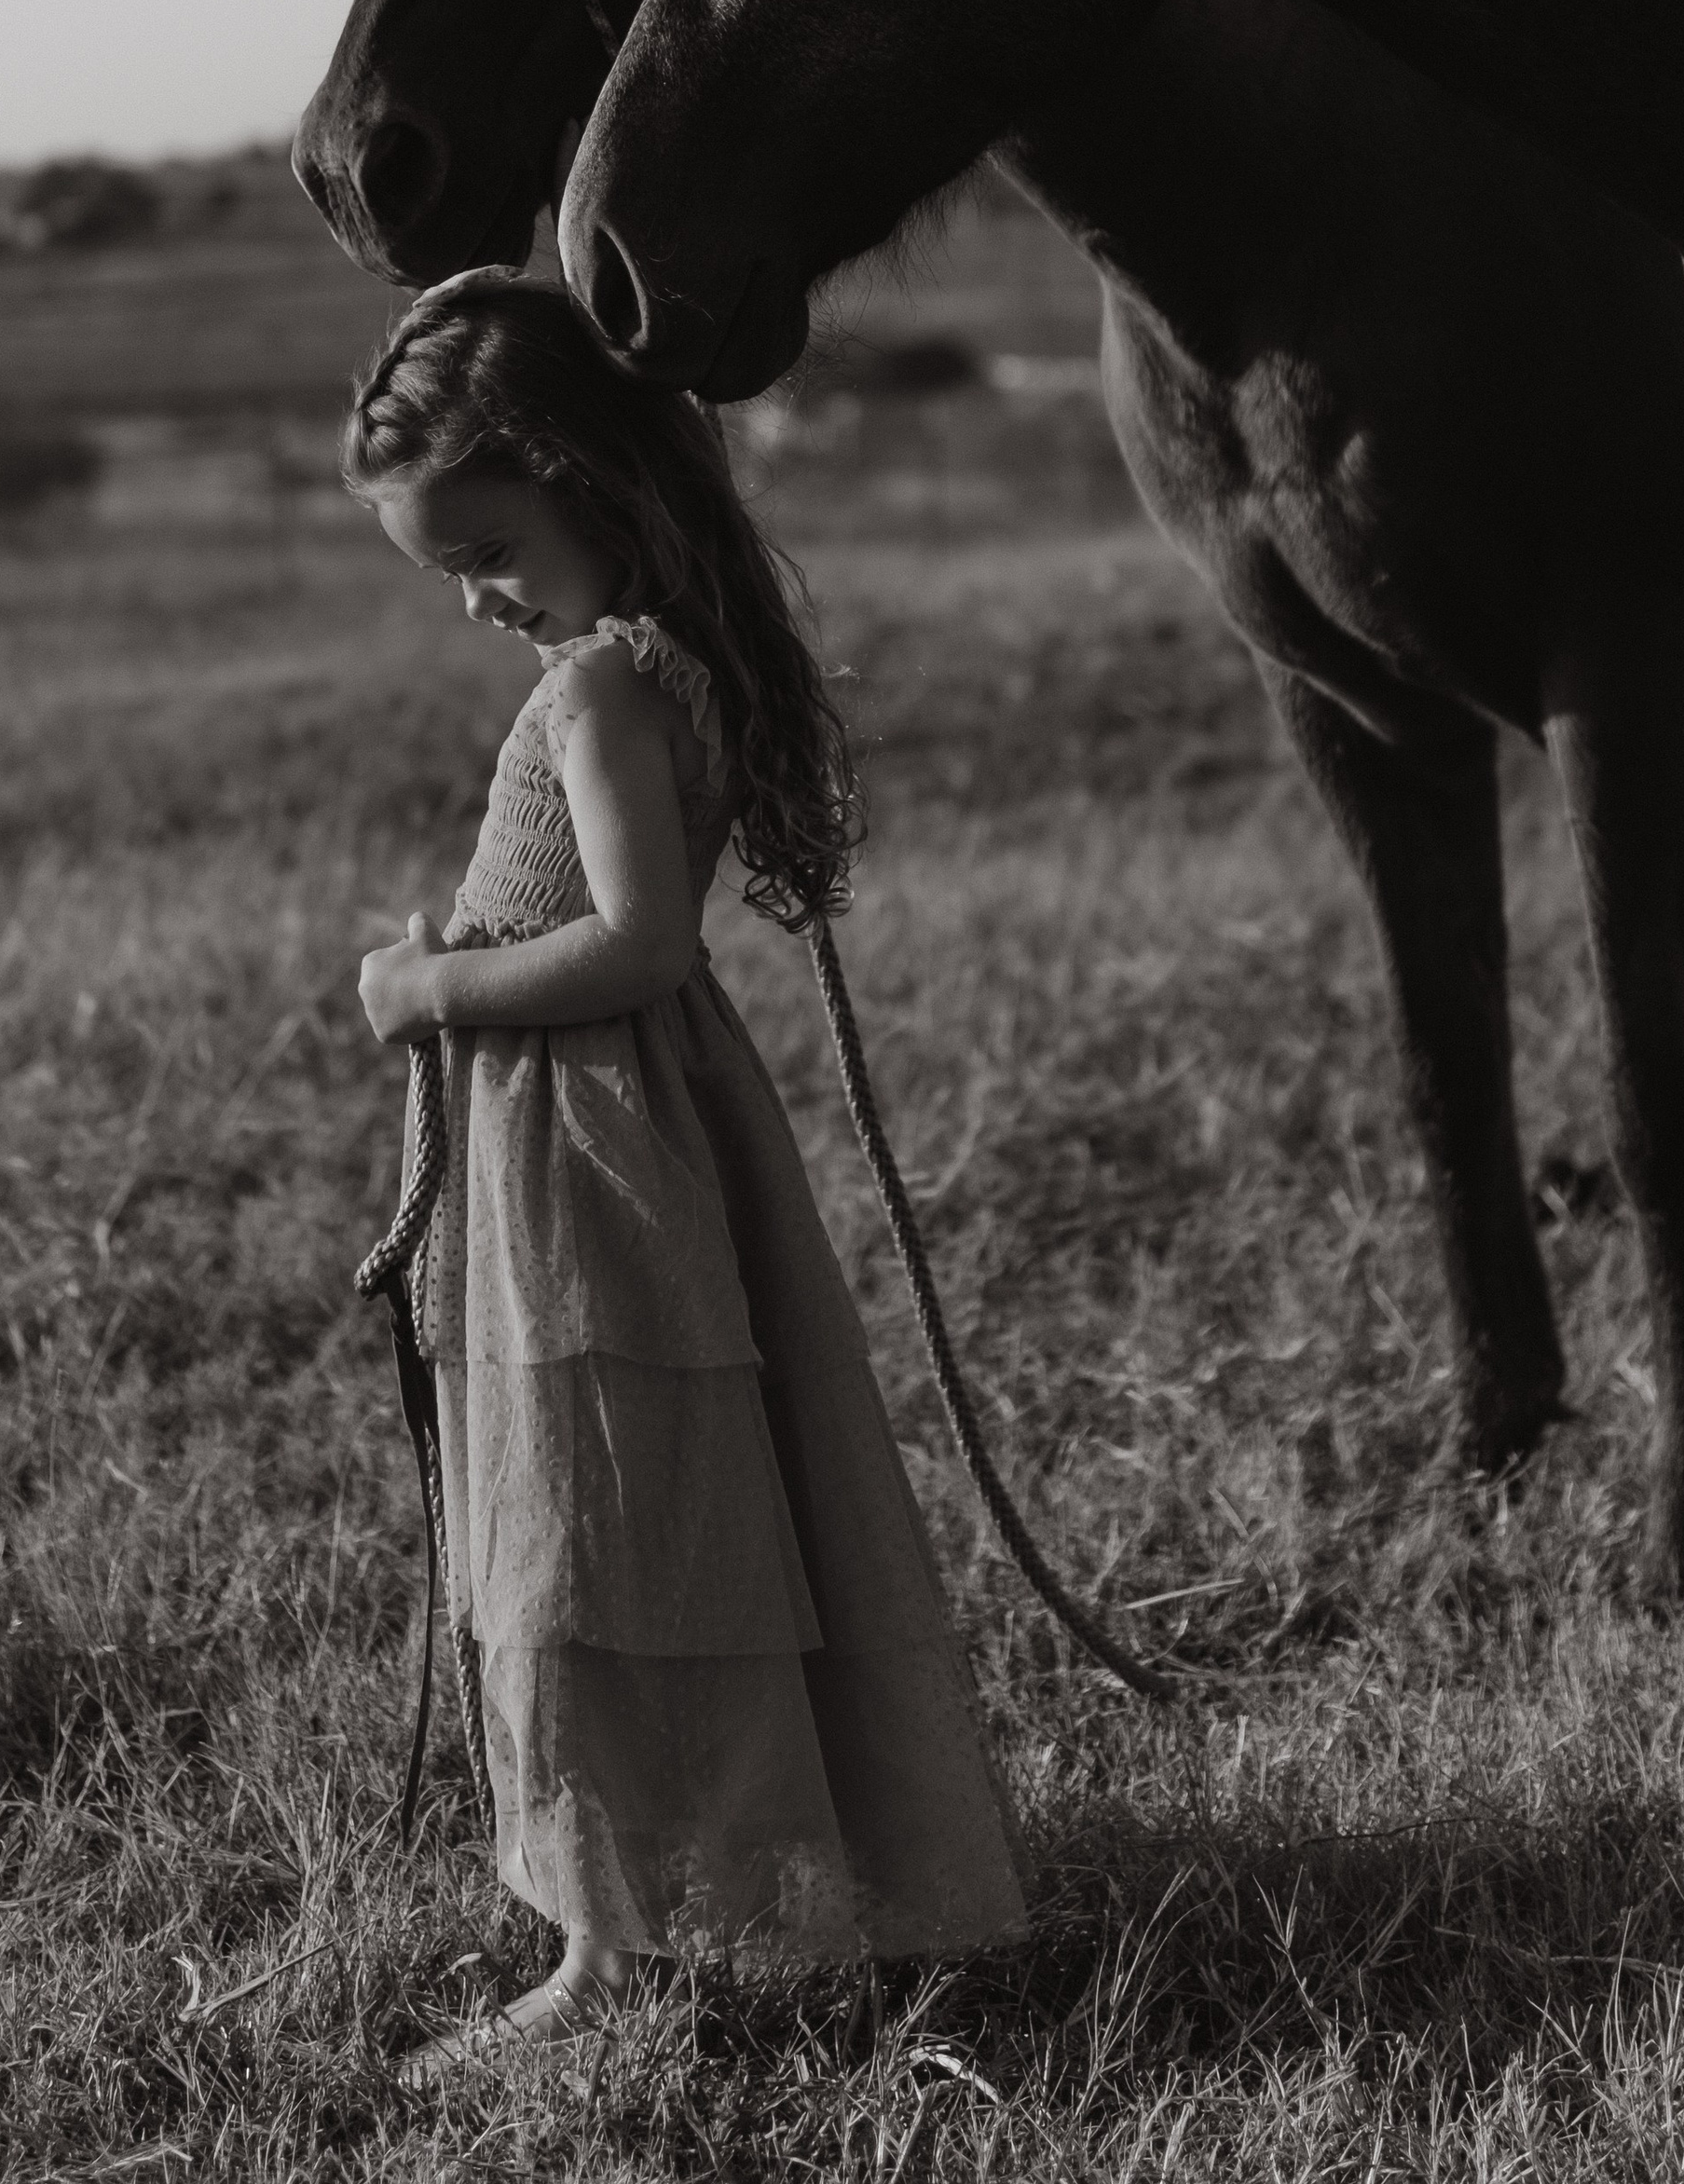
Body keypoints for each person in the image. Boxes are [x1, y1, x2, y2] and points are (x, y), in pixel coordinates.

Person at [346, 272, 1028, 2068]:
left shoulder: (601, 690)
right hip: (607, 1125)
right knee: (632, 1515)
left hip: (594, 1148)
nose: (480, 598)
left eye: (490, 549)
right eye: (448, 572)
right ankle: (680, 1897)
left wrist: (427, 987)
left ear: (587, 476)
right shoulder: (655, 665)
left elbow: (640, 938)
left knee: (592, 1530)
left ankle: (609, 1956)